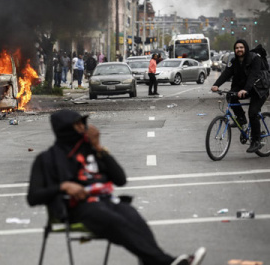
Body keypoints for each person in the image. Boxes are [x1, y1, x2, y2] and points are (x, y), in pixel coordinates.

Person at [27, 109, 207, 265]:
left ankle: (162, 262)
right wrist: (63, 186)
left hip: (106, 201)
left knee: (132, 215)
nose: (85, 128)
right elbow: (33, 197)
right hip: (76, 208)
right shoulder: (47, 159)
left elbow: (120, 179)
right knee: (116, 221)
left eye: (84, 123)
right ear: (66, 129)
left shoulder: (92, 151)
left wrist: (99, 148)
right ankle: (165, 262)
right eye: (79, 124)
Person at [211, 40, 270, 153]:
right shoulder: (235, 61)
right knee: (230, 96)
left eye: (241, 47)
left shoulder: (254, 58)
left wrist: (245, 89)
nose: (239, 50)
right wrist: (216, 85)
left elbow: (254, 75)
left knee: (253, 113)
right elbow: (226, 73)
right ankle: (241, 119)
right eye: (237, 48)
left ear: (245, 48)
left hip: (260, 89)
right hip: (246, 88)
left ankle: (256, 141)